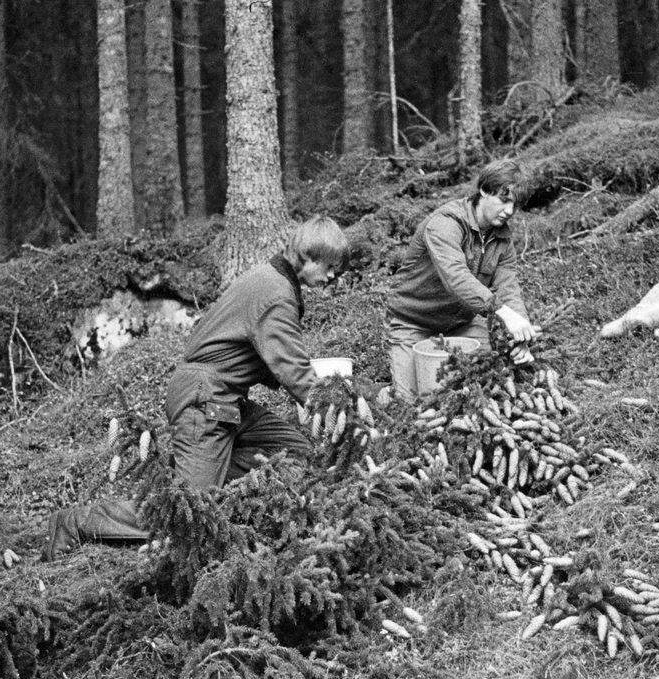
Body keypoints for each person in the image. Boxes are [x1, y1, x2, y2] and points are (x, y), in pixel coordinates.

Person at [41, 215, 350, 561]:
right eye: (330, 266)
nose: (334, 275)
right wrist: (339, 408)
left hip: (227, 402)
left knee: (294, 451)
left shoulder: (267, 278)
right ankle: (77, 522)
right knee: (188, 513)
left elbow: (255, 352)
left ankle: (207, 476)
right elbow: (292, 369)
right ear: (307, 257)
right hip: (206, 400)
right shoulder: (275, 295)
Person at [385, 158, 537, 401]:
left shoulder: (503, 240)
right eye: (503, 200)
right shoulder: (445, 224)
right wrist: (502, 312)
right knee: (412, 404)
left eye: (515, 205)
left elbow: (508, 289)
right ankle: (385, 393)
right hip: (414, 321)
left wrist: (520, 335)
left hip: (463, 322)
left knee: (486, 387)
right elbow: (456, 276)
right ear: (484, 191)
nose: (509, 211)